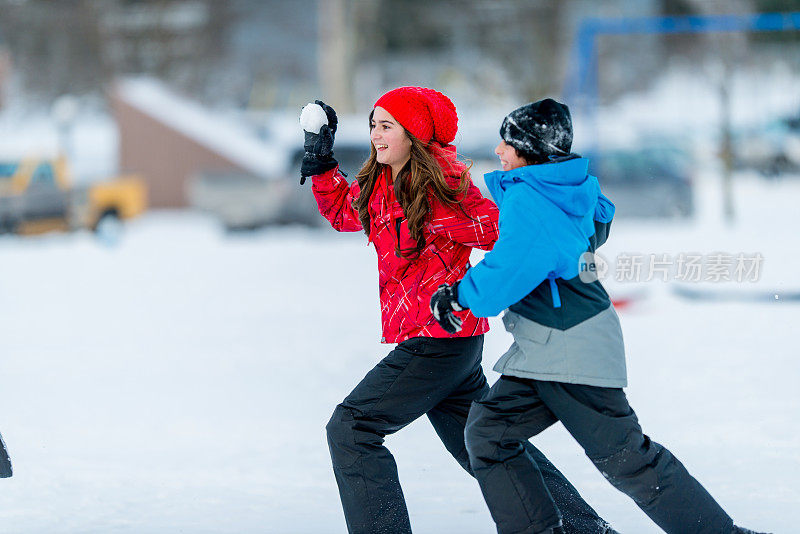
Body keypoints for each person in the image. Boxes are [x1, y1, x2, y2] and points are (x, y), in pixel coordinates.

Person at [430, 98, 767, 534]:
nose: (498, 149)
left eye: (508, 142)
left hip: (571, 345)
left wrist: (458, 296)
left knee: (628, 459)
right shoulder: (561, 189)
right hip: (549, 346)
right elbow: (595, 222)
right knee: (489, 434)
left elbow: (511, 269)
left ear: (530, 149)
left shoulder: (531, 201)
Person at [300, 88, 616, 534]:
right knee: (486, 447)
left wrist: (562, 212)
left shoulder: (444, 193)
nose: (375, 134)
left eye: (387, 125)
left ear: (415, 135)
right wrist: (321, 162)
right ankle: (585, 529)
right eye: (373, 124)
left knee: (352, 429)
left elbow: (510, 234)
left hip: (440, 339)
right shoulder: (382, 186)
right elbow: (342, 212)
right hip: (443, 343)